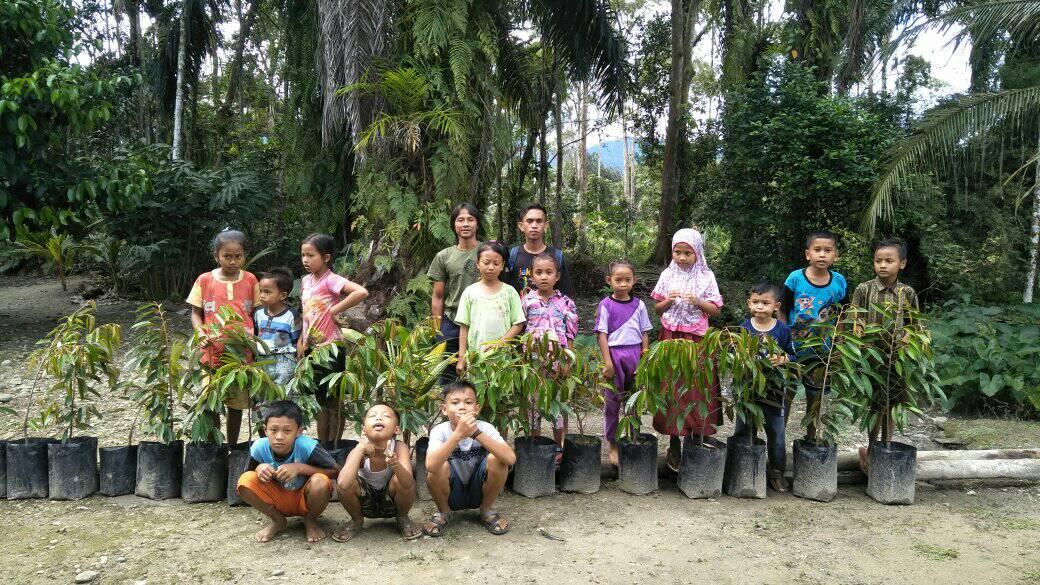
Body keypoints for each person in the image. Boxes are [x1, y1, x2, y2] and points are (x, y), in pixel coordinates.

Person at [649, 228, 724, 472]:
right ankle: (673, 444)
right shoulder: (667, 274)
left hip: (697, 340)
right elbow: (658, 309)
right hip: (670, 336)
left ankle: (696, 440)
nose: (681, 258)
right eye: (677, 252)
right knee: (671, 388)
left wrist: (699, 302)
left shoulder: (706, 276)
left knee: (695, 388)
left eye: (687, 253)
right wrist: (669, 301)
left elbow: (716, 310)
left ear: (697, 253)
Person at [851, 238, 920, 472]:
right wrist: (859, 342)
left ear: (902, 264)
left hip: (897, 359)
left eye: (889, 261)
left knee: (892, 403)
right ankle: (871, 449)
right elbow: (855, 319)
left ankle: (886, 445)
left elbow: (914, 325)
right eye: (878, 260)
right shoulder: (864, 289)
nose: (883, 265)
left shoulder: (907, 293)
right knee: (874, 404)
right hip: (871, 358)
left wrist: (904, 345)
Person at [187, 229, 260, 447]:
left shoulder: (250, 280)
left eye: (238, 256)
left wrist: (255, 337)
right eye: (227, 256)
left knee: (236, 404)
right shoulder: (205, 280)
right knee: (211, 400)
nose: (232, 261)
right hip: (212, 352)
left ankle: (233, 447)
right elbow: (195, 313)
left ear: (244, 255)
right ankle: (215, 446)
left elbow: (257, 313)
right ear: (216, 256)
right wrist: (200, 333)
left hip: (241, 354)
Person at [298, 233, 369, 443]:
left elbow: (361, 292)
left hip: (331, 348)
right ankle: (323, 444)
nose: (305, 260)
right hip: (313, 349)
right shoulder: (305, 281)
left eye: (311, 255)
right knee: (320, 399)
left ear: (326, 257)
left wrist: (334, 309)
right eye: (303, 255)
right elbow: (307, 314)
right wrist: (301, 340)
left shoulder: (332, 280)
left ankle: (335, 445)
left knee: (334, 401)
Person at [236, 400, 340, 543]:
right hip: (277, 498)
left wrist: (300, 467)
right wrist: (259, 468)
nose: (279, 436)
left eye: (287, 431)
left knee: (320, 481)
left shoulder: (307, 446)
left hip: (305, 497)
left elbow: (335, 472)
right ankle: (278, 521)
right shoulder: (259, 447)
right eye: (273, 430)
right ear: (265, 430)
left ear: (299, 431)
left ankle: (310, 520)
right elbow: (247, 475)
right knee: (245, 481)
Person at [422, 380, 516, 537]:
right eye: (455, 402)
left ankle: (486, 510)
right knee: (439, 466)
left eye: (468, 402)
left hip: (479, 490)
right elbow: (431, 466)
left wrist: (475, 433)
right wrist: (458, 435)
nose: (462, 407)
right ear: (444, 409)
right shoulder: (440, 431)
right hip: (451, 492)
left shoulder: (485, 427)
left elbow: (510, 458)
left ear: (476, 409)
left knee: (498, 460)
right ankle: (444, 512)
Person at [780, 230, 847, 440]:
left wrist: (840, 343)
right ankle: (778, 440)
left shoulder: (839, 282)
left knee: (815, 397)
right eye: (817, 250)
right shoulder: (795, 279)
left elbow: (843, 314)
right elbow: (782, 310)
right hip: (793, 350)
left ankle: (811, 439)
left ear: (835, 255)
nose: (822, 255)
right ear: (808, 254)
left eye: (828, 250)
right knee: (786, 394)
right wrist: (782, 339)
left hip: (822, 353)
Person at [736, 282, 795, 492]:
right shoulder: (744, 328)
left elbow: (792, 354)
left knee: (776, 431)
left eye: (765, 303)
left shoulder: (783, 330)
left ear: (776, 306)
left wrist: (783, 358)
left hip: (775, 390)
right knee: (744, 428)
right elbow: (737, 355)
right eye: (755, 302)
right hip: (748, 388)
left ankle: (777, 471)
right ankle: (740, 468)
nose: (760, 307)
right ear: (748, 303)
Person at [332, 403, 421, 542]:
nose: (379, 418)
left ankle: (403, 517)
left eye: (385, 416)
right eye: (373, 416)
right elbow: (343, 484)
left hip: (392, 504)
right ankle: (356, 520)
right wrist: (360, 449)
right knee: (349, 481)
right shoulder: (358, 450)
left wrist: (396, 465)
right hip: (365, 504)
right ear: (363, 430)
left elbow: (408, 484)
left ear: (396, 429)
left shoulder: (399, 447)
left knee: (401, 479)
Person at [520, 253, 578, 462]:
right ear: (532, 276)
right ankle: (535, 444)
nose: (543, 277)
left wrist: (568, 361)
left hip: (558, 361)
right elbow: (521, 329)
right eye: (539, 273)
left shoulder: (566, 303)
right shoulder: (526, 301)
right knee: (533, 403)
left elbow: (570, 334)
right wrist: (524, 361)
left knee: (557, 403)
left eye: (548, 272)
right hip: (533, 361)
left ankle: (559, 446)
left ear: (557, 276)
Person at [595, 260, 653, 467]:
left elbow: (645, 332)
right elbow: (602, 335)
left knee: (635, 401)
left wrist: (644, 358)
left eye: (627, 280)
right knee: (612, 403)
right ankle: (613, 444)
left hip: (635, 354)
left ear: (634, 281)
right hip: (614, 355)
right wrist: (607, 362)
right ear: (609, 280)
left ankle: (633, 439)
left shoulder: (640, 305)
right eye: (618, 280)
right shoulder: (605, 305)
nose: (622, 284)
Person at [453, 241, 526, 378]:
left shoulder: (509, 293)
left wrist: (501, 343)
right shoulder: (470, 292)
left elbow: (518, 323)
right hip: (476, 357)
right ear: (477, 263)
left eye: (496, 263)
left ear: (503, 265)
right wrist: (461, 357)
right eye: (486, 263)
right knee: (477, 393)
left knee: (501, 394)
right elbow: (464, 326)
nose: (491, 267)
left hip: (503, 358)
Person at [428, 203, 482, 384]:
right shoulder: (443, 256)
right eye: (460, 220)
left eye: (470, 219)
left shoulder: (487, 252)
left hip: (482, 321)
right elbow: (438, 296)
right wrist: (438, 330)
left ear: (477, 224)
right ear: (454, 225)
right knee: (450, 376)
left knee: (482, 374)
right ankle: (449, 411)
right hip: (452, 322)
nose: (465, 224)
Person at [506, 203, 573, 296]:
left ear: (545, 225)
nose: (534, 225)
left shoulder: (556, 256)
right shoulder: (512, 255)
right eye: (529, 221)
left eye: (539, 221)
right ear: (521, 226)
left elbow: (565, 293)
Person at [253, 267, 301, 388]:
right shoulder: (258, 313)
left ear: (283, 295)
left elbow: (297, 340)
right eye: (261, 291)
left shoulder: (292, 315)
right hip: (261, 360)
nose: (262, 295)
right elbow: (256, 336)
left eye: (267, 292)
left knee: (282, 394)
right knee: (262, 393)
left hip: (284, 361)